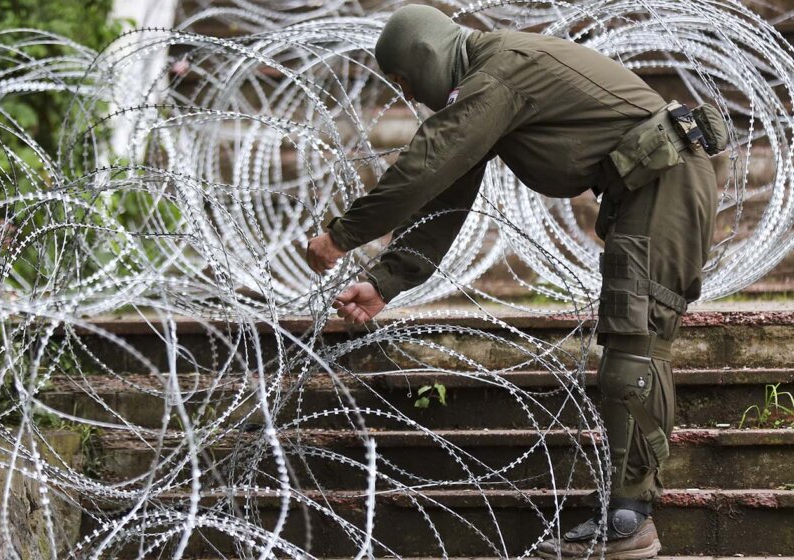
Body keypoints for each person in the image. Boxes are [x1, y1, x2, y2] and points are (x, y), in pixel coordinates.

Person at [305, 5, 724, 559]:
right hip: (649, 184)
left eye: (405, 82)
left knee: (636, 346)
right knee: (632, 339)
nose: (410, 95)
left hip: (664, 181)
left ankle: (630, 521)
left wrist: (342, 235)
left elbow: (427, 163)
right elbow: (446, 192)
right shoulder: (489, 78)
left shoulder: (499, 70)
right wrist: (386, 281)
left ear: (424, 59)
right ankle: (627, 514)